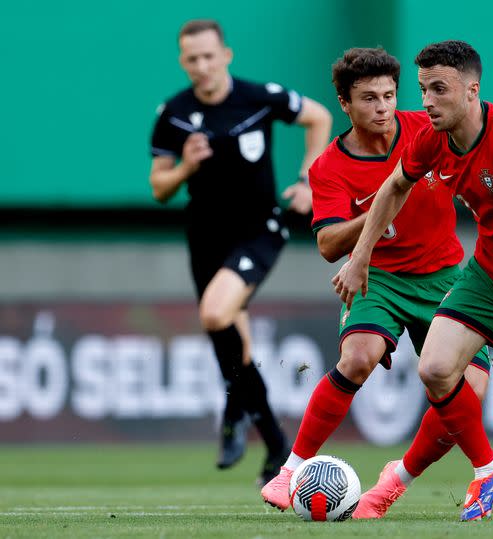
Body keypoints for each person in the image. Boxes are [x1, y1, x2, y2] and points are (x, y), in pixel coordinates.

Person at [333, 40, 493, 521]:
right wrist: (360, 257)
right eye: (422, 89)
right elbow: (395, 186)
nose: (426, 101)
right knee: (434, 368)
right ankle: (487, 471)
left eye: (439, 89)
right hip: (490, 270)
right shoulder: (434, 138)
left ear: (472, 91)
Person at [260, 47, 491, 518]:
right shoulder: (330, 167)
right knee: (359, 356)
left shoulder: (425, 129)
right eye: (368, 98)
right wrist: (377, 211)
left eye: (389, 95)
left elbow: (474, 152)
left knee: (469, 393)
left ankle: (394, 480)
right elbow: (327, 245)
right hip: (378, 278)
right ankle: (290, 470)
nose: (383, 107)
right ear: (345, 104)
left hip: (445, 274)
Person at [148, 19, 332, 485]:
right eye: (192, 59)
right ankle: (273, 444)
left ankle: (236, 415)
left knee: (214, 315)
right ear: (182, 62)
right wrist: (187, 165)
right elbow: (159, 187)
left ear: (226, 55)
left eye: (210, 56)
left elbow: (319, 117)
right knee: (234, 342)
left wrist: (310, 177)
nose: (202, 66)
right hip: (205, 237)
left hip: (258, 231)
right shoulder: (173, 113)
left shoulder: (258, 96)